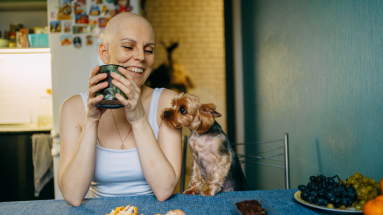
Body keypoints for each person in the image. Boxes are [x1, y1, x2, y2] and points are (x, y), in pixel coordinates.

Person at [58, 12, 182, 207]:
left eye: (148, 50)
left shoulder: (168, 102)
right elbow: (73, 196)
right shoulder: (72, 108)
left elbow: (164, 190)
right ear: (104, 53)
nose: (141, 57)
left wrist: (139, 118)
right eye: (128, 46)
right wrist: (91, 120)